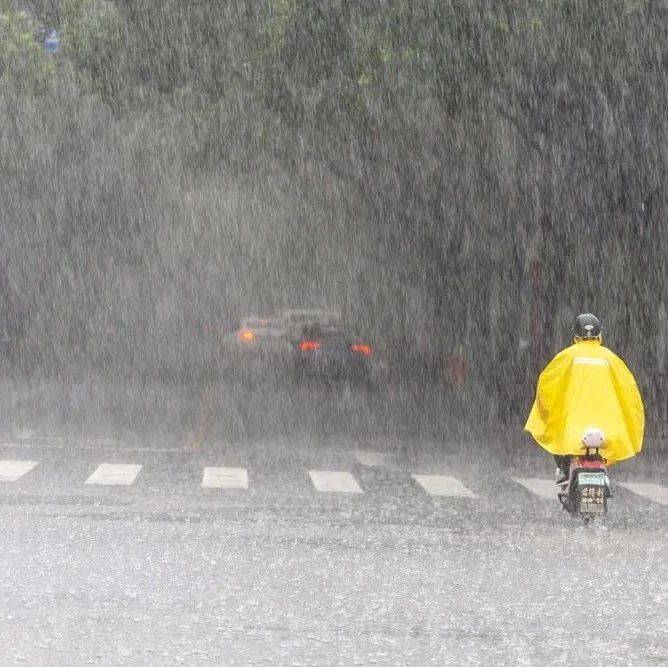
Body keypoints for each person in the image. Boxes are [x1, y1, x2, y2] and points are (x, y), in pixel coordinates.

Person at [525, 313, 645, 483]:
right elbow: (630, 393)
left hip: (572, 427)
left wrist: (550, 412)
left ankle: (565, 473)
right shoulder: (611, 359)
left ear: (575, 336)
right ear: (599, 335)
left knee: (560, 446)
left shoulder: (567, 357)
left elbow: (546, 386)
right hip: (607, 428)